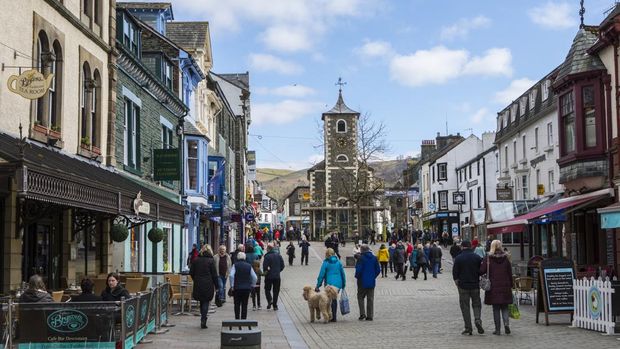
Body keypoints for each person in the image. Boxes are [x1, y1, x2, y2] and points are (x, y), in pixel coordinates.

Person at [480, 240, 513, 335]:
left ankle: (497, 329)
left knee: (496, 308)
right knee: (505, 307)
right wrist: (511, 285)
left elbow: (482, 271)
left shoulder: (488, 258)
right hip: (505, 286)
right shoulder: (506, 258)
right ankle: (506, 324)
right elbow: (509, 273)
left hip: (493, 287)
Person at [452, 240, 484, 336]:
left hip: (463, 285)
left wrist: (457, 282)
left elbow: (455, 272)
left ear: (462, 247)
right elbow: (481, 271)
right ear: (471, 246)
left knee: (465, 307)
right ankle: (477, 319)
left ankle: (468, 328)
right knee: (477, 304)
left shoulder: (458, 258)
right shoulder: (477, 257)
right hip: (475, 285)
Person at [190, 245, 219, 329]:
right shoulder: (211, 261)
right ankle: (203, 318)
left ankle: (203, 317)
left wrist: (195, 279)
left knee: (201, 301)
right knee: (206, 301)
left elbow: (191, 272)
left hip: (198, 283)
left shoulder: (196, 260)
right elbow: (214, 275)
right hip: (208, 283)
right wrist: (217, 286)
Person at [316, 248, 346, 322]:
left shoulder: (326, 262)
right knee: (334, 299)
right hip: (338, 284)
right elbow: (343, 274)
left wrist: (318, 285)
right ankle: (334, 316)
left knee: (328, 300)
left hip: (329, 284)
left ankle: (330, 316)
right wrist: (343, 284)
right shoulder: (338, 262)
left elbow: (321, 275)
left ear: (327, 254)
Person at [355, 244, 381, 321]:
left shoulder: (361, 258)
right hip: (371, 281)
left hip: (361, 281)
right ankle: (370, 316)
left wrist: (357, 276)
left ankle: (362, 313)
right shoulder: (374, 258)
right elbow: (378, 270)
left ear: (362, 250)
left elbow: (358, 270)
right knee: (370, 299)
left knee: (360, 297)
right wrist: (373, 276)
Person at [229, 252, 257, 320]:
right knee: (245, 304)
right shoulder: (249, 266)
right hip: (246, 288)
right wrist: (252, 285)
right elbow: (254, 277)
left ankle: (237, 318)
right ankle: (244, 319)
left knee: (237, 304)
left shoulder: (235, 265)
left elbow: (231, 275)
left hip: (237, 288)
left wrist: (232, 285)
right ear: (244, 258)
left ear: (238, 257)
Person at [263, 243, 285, 310]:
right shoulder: (278, 255)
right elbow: (283, 266)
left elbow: (265, 267)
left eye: (267, 249)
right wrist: (278, 271)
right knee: (276, 291)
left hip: (268, 276)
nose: (266, 250)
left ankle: (270, 300)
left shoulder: (267, 257)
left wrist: (266, 272)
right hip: (277, 277)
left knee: (267, 289)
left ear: (269, 249)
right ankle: (275, 305)